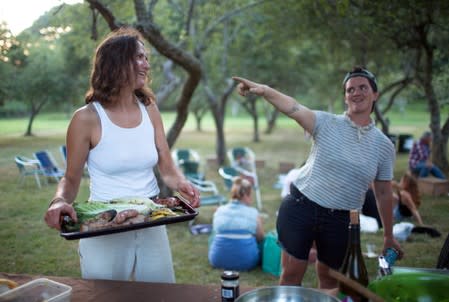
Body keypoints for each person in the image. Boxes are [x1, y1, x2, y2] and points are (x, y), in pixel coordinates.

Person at [44, 27, 200, 283]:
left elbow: (167, 166)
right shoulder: (86, 118)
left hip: (150, 221)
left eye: (146, 58)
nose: (146, 65)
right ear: (116, 63)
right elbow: (70, 179)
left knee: (160, 297)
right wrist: (58, 201)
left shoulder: (149, 108)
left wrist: (181, 183)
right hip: (103, 227)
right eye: (139, 57)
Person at [233, 67, 403, 290]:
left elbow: (383, 193)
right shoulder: (326, 122)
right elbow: (292, 107)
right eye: (350, 89)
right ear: (345, 96)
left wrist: (389, 236)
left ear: (375, 94)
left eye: (363, 87)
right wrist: (264, 90)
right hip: (300, 207)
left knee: (330, 280)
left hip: (342, 219)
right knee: (291, 275)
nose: (356, 93)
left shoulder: (383, 146)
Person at [208, 176, 265, 271]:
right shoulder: (253, 212)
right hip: (247, 262)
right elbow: (260, 238)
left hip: (217, 260)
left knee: (214, 235)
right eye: (251, 195)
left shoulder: (220, 210)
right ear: (246, 196)